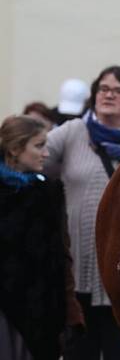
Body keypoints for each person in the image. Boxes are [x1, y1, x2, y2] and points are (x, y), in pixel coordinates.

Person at [45, 66, 120, 360]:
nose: (109, 95)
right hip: (76, 269)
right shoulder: (71, 133)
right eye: (103, 89)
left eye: (119, 91)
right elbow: (29, 159)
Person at [0, 115, 84, 360]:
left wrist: (70, 308)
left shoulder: (48, 192)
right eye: (39, 146)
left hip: (44, 311)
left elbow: (62, 254)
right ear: (15, 149)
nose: (46, 153)